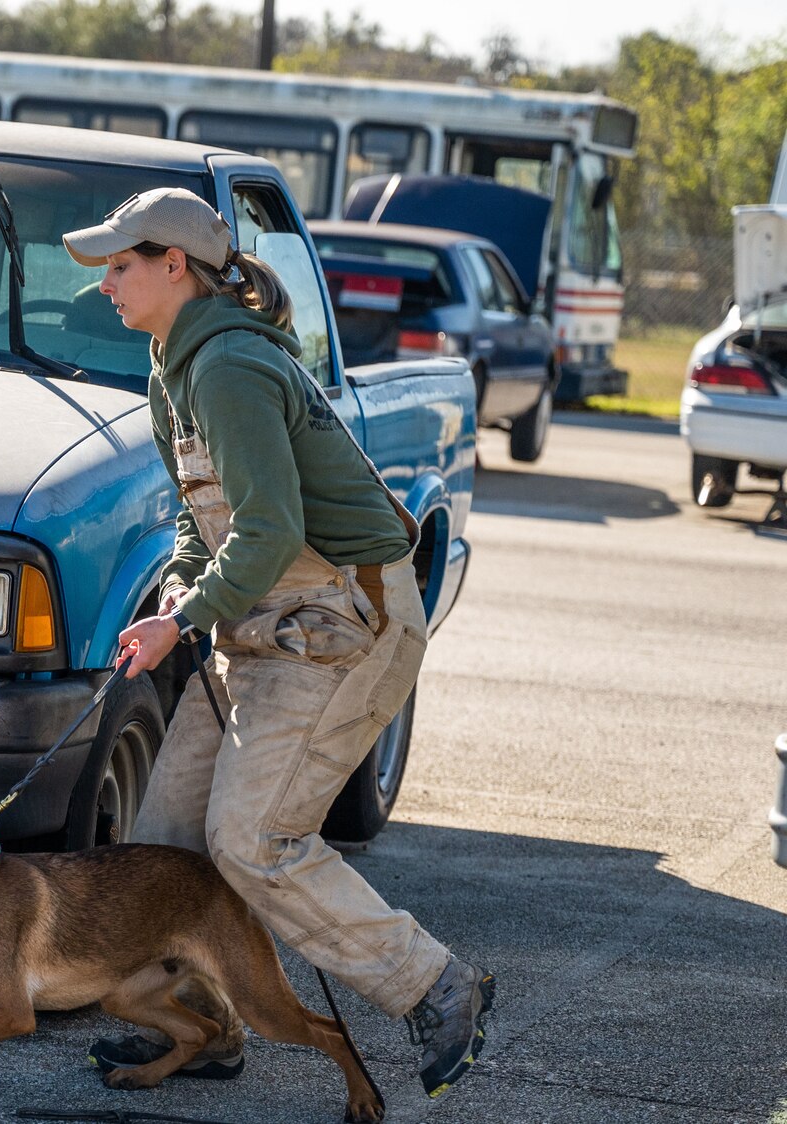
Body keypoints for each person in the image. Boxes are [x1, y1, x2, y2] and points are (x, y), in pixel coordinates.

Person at [61, 187, 494, 1099]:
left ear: (175, 266)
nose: (105, 282)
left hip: (348, 623)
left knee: (253, 839)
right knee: (164, 844)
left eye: (120, 263)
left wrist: (182, 618)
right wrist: (178, 596)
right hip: (259, 627)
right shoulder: (168, 367)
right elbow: (201, 523)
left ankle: (438, 985)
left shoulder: (228, 368)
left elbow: (267, 529)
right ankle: (207, 1029)